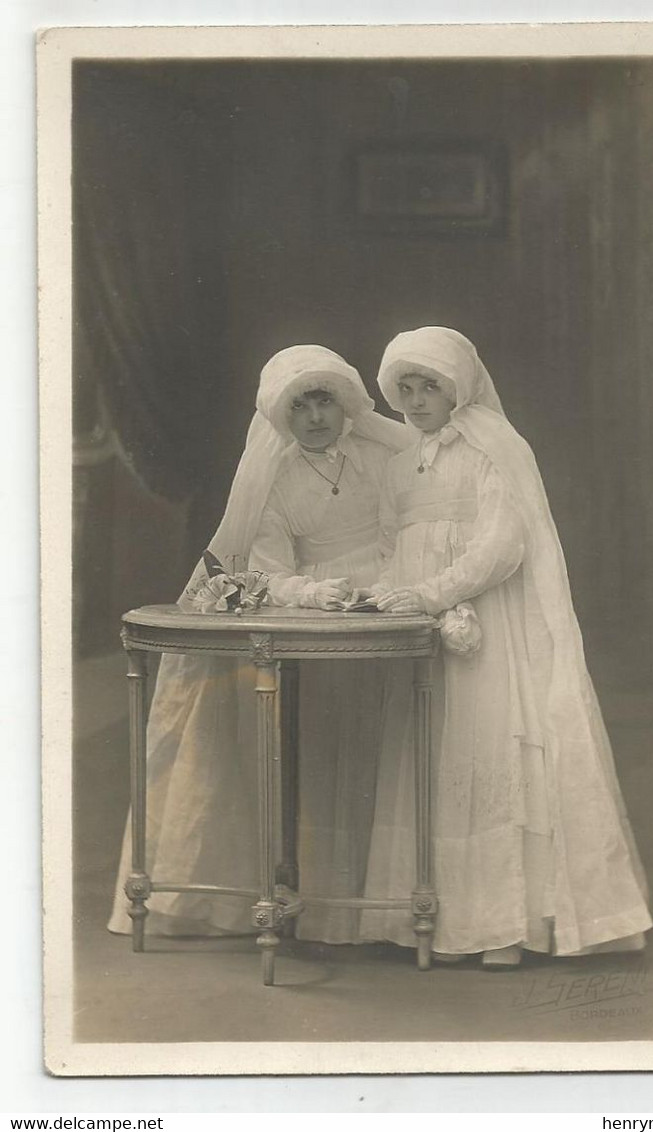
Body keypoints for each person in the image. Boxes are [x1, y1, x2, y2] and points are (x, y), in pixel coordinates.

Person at [359, 326, 652, 966]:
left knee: (488, 744)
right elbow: (388, 543)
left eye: (428, 386)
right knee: (431, 753)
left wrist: (438, 591)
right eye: (403, 388)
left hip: (486, 622)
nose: (415, 400)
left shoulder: (493, 446)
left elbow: (502, 543)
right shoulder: (397, 463)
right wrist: (392, 596)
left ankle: (506, 925)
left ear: (457, 386)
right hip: (420, 625)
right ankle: (438, 920)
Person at [108, 345, 406, 939]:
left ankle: (376, 907)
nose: (316, 416)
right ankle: (316, 904)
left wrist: (395, 586)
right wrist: (314, 595)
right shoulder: (275, 478)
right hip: (318, 609)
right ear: (281, 416)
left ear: (345, 404)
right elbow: (267, 566)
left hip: (390, 596)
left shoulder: (383, 457)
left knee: (383, 744)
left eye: (324, 400)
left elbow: (411, 528)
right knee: (313, 746)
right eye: (300, 405)